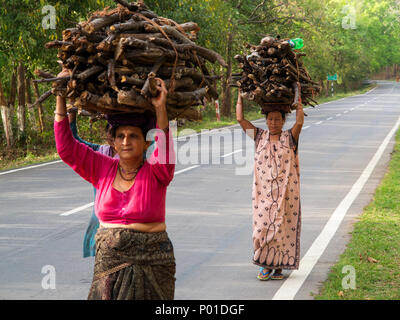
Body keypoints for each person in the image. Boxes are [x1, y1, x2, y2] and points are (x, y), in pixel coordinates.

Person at [54, 69, 176, 299]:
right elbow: (66, 149)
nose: (126, 141)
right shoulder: (101, 168)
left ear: (146, 142)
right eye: (121, 136)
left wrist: (161, 107)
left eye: (134, 136)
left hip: (153, 264)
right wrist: (60, 96)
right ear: (114, 141)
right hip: (108, 265)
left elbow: (165, 142)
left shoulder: (159, 171)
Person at [236, 86, 304, 281]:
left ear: (283, 121)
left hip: (285, 194)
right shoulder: (259, 136)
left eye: (277, 119)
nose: (273, 122)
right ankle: (264, 264)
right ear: (265, 121)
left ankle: (278, 266)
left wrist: (298, 96)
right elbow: (240, 120)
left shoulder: (290, 137)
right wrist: (240, 95)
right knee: (263, 228)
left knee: (281, 228)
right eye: (270, 119)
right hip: (263, 194)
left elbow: (299, 121)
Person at [68, 108, 117, 258]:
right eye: (112, 133)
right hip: (102, 218)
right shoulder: (99, 153)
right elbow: (74, 141)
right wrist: (71, 115)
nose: (115, 138)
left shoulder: (135, 158)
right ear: (107, 136)